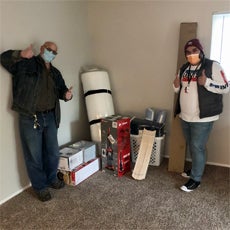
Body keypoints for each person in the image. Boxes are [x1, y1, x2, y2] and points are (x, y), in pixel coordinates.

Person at [0, 41, 73, 201]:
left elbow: (62, 90)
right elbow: (3, 59)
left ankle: (52, 179)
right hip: (30, 116)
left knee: (53, 153)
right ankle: (40, 187)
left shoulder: (55, 72)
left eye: (54, 52)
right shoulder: (26, 64)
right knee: (34, 155)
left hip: (51, 117)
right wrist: (20, 54)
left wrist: (67, 95)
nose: (51, 53)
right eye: (49, 49)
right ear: (41, 49)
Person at [173, 38, 229, 192]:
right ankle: (196, 169)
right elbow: (179, 88)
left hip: (203, 117)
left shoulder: (213, 66)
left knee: (197, 146)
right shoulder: (184, 68)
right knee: (193, 145)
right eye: (188, 52)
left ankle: (196, 179)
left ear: (201, 51)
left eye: (194, 51)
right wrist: (175, 86)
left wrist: (207, 83)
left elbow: (226, 86)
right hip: (185, 116)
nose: (191, 55)